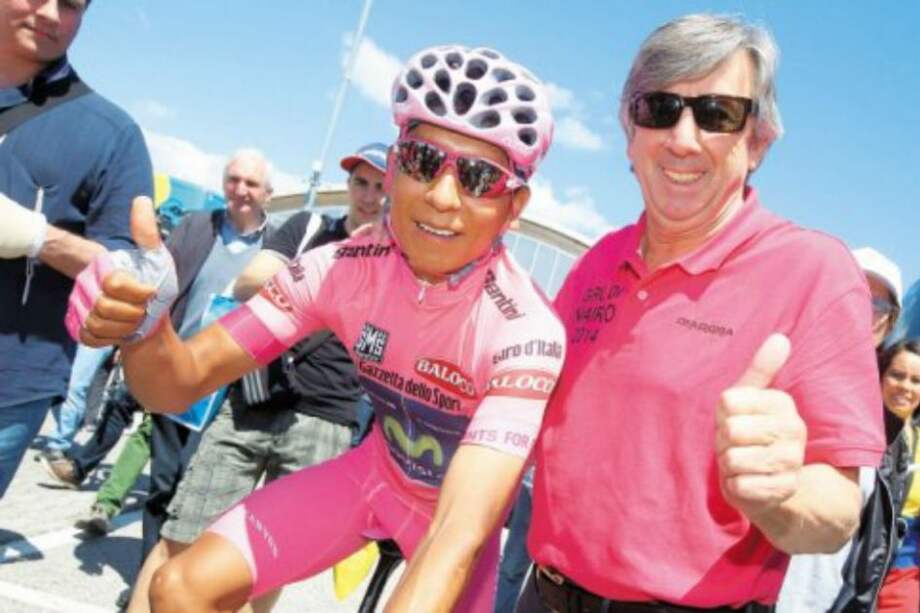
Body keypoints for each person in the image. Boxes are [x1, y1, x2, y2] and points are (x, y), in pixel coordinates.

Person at [68, 43, 562, 612]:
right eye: (425, 161)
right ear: (398, 167)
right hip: (372, 474)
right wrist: (145, 326)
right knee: (179, 589)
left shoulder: (524, 331)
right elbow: (174, 386)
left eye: (479, 177)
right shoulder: (342, 268)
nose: (442, 197)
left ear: (514, 206)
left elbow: (457, 535)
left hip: (453, 522)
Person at [519, 14, 885, 612]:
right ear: (629, 131)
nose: (683, 138)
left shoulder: (814, 273)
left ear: (758, 142)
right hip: (543, 596)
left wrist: (783, 494)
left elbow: (838, 512)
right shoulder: (596, 264)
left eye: (717, 114)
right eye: (658, 108)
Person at [125, 142, 387, 613]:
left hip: (324, 418)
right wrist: (333, 289)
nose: (368, 197)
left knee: (268, 563)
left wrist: (304, 292)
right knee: (180, 538)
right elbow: (251, 280)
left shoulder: (400, 261)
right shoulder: (309, 228)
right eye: (360, 183)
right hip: (250, 401)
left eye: (380, 187)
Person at [0, 0, 153, 498]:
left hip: (10, 382)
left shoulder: (112, 135)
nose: (49, 13)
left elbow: (134, 271)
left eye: (70, 4)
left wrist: (40, 238)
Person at [778, 246, 903, 612]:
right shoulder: (774, 377)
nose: (859, 311)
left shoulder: (888, 431)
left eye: (875, 306)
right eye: (850, 293)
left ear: (889, 324)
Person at [873, 340, 920, 611]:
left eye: (916, 381)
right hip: (851, 563)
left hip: (903, 570)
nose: (906, 386)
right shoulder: (858, 431)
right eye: (897, 375)